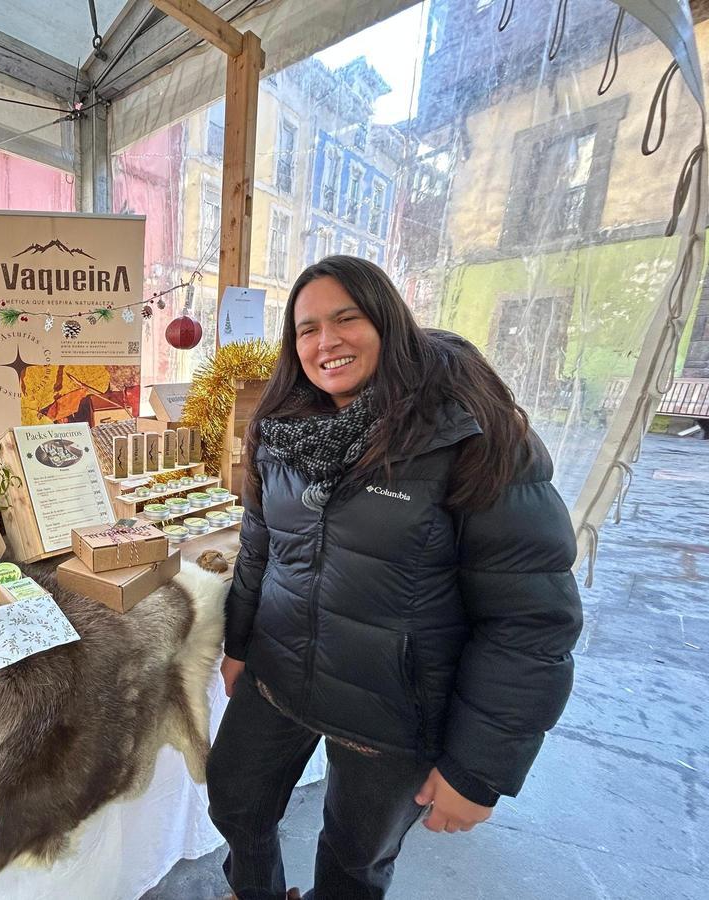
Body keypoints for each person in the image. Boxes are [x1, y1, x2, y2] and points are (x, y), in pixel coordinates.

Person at [207, 256, 582, 900]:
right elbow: (260, 547)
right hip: (280, 671)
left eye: (346, 318)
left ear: (388, 320)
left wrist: (477, 769)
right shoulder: (283, 431)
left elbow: (529, 618)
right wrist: (240, 644)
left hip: (397, 706)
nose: (326, 342)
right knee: (236, 806)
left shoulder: (468, 429)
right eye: (306, 328)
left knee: (355, 859)